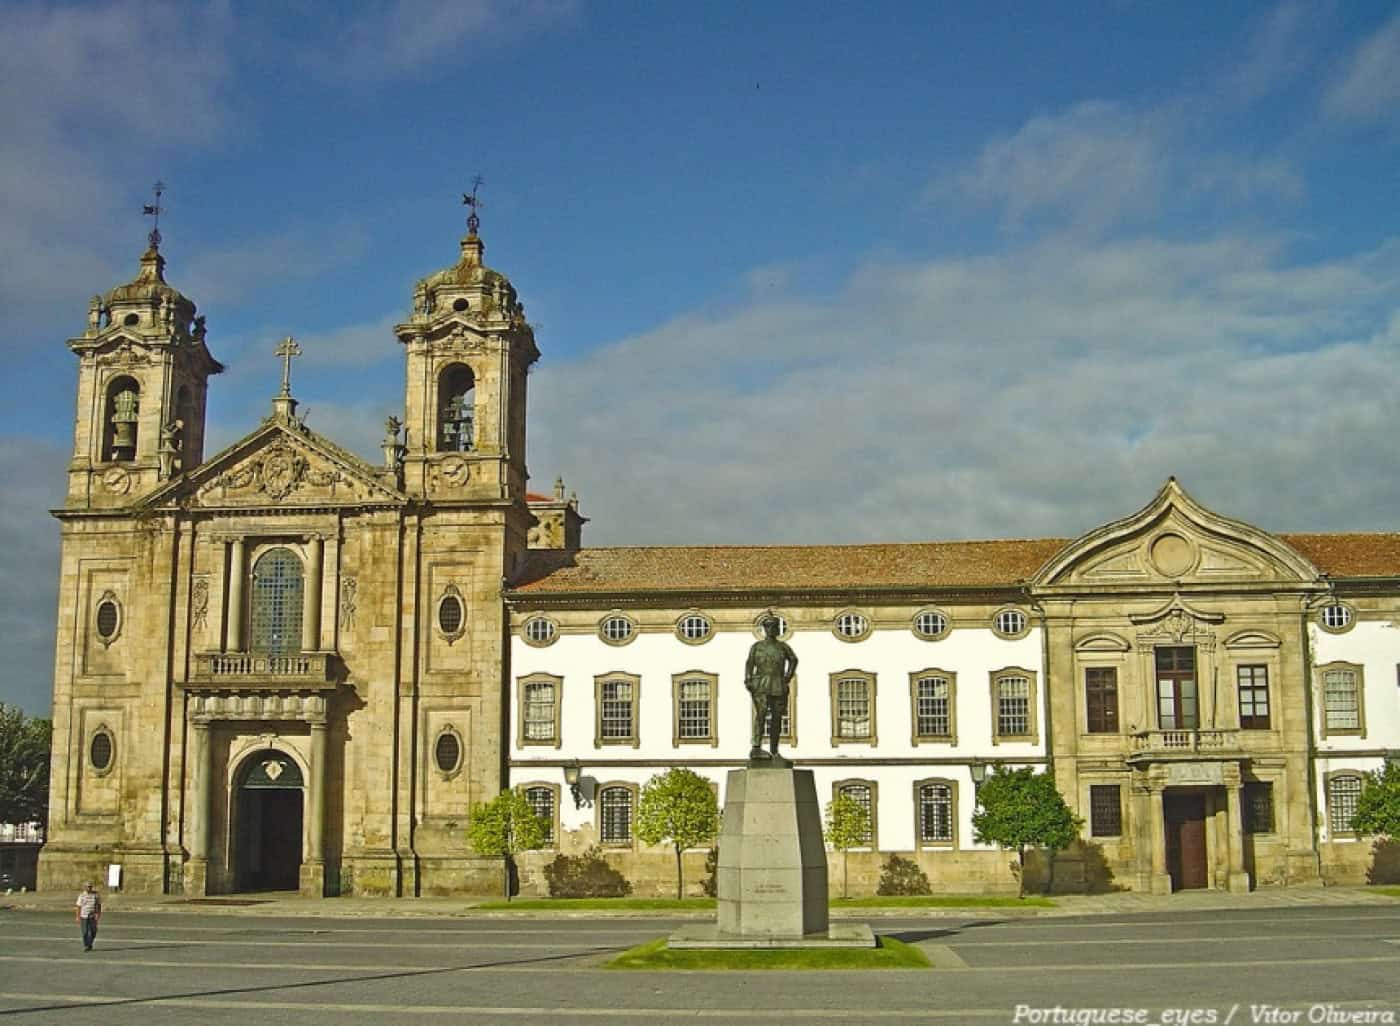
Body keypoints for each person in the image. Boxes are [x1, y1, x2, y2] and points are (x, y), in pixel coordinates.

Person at [745, 616, 798, 764]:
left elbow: (793, 660)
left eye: (774, 627)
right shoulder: (757, 647)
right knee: (760, 715)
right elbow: (749, 664)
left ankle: (774, 750)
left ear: (777, 630)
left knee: (777, 718)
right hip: (761, 684)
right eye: (768, 627)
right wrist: (748, 680)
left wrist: (788, 676)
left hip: (778, 684)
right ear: (765, 629)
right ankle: (756, 747)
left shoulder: (782, 646)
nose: (771, 630)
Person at [75, 881, 102, 951]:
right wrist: (77, 916)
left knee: (94, 931)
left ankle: (90, 944)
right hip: (84, 916)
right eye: (87, 887)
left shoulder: (95, 895)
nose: (89, 888)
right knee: (85, 932)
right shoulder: (81, 895)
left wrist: (98, 914)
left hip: (92, 916)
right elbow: (78, 906)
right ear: (85, 887)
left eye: (90, 887)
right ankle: (86, 945)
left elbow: (99, 905)